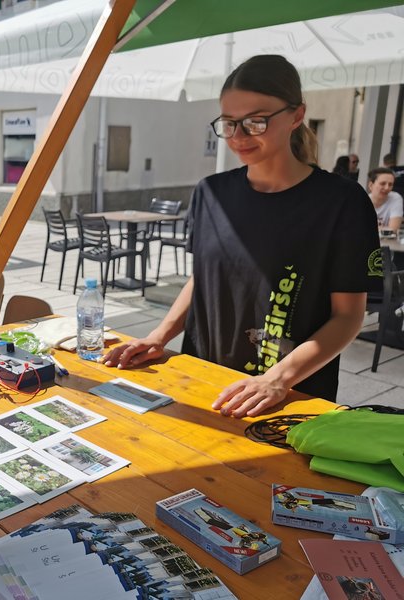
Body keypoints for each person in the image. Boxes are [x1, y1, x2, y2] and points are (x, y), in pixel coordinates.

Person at [103, 54, 381, 417]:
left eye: (256, 121)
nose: (238, 136)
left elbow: (348, 317)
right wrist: (160, 335)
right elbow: (202, 277)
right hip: (202, 380)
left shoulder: (342, 202)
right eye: (229, 123)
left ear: (296, 116)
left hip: (289, 394)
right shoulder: (210, 192)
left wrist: (278, 379)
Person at [367, 167, 403, 232]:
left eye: (390, 184)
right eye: (382, 183)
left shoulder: (395, 198)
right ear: (371, 185)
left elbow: (393, 229)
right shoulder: (361, 201)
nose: (387, 188)